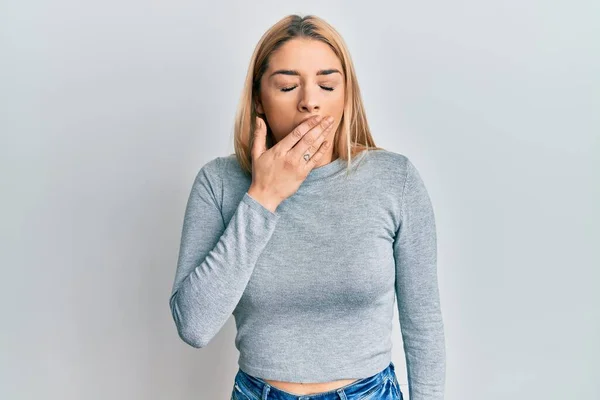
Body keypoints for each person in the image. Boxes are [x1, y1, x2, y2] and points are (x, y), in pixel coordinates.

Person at [169, 14, 446, 400]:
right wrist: (262, 197)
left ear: (347, 95)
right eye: (286, 86)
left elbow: (424, 326)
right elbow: (194, 326)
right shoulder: (217, 184)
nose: (310, 102)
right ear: (258, 100)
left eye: (327, 84)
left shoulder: (394, 179)